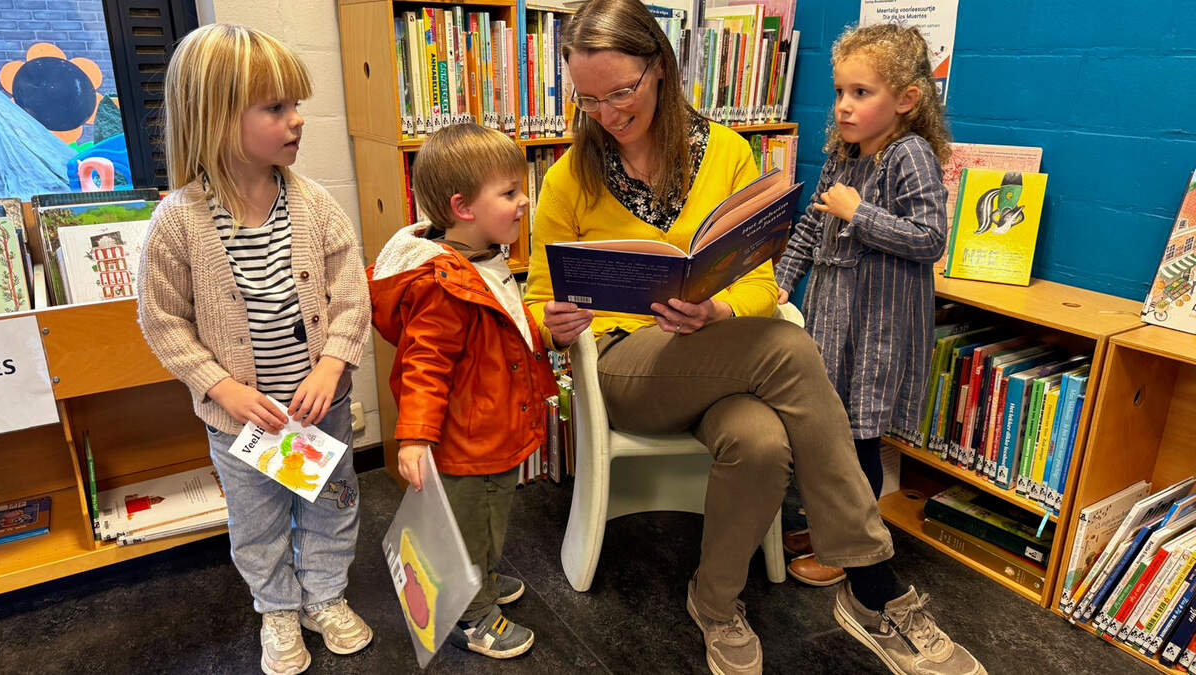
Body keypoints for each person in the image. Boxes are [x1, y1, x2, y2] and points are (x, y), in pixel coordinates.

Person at [525, 2, 985, 674]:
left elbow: (761, 280)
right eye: (588, 98)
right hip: (628, 370)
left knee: (763, 442)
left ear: (660, 69)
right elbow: (540, 298)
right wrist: (553, 320)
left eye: (621, 91)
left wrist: (717, 310)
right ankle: (873, 586)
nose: (607, 113)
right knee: (789, 348)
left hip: (716, 357)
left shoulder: (730, 153)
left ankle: (714, 603)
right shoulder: (572, 175)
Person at [137, 23, 373, 675]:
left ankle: (324, 596)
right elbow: (162, 321)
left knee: (330, 506)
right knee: (259, 522)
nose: (297, 121)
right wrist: (222, 386)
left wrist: (333, 363)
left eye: (296, 104)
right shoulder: (177, 224)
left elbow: (352, 294)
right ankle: (276, 607)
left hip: (319, 411)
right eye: (276, 108)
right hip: (242, 423)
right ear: (215, 117)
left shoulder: (317, 206)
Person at [368, 123, 557, 660]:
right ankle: (471, 617)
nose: (525, 202)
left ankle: (484, 582)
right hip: (468, 444)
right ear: (463, 207)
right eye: (510, 192)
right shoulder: (444, 285)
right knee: (475, 528)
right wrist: (413, 438)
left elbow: (506, 335)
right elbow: (423, 366)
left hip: (492, 427)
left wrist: (547, 332)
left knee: (489, 521)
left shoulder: (483, 257)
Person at [774, 23, 952, 590]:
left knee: (858, 438)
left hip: (878, 330)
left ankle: (850, 550)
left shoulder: (912, 155)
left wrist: (860, 215)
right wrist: (781, 281)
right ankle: (832, 528)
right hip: (831, 321)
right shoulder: (841, 157)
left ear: (906, 100)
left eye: (861, 93)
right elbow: (808, 228)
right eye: (840, 92)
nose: (844, 107)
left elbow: (930, 237)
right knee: (827, 433)